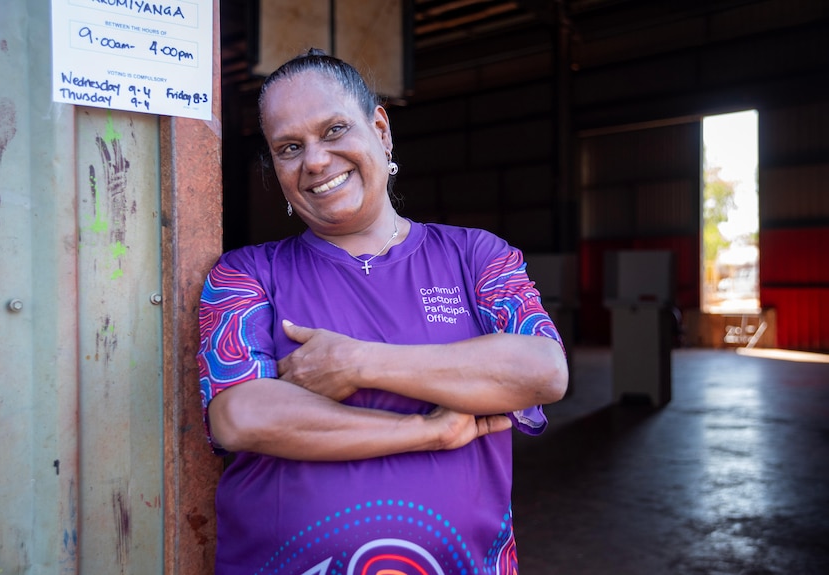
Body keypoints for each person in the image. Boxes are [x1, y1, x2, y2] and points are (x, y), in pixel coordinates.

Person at [197, 48, 568, 575]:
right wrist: (428, 433)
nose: (316, 161)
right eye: (289, 147)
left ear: (381, 129)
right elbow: (240, 416)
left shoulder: (476, 256)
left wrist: (357, 363)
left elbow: (543, 371)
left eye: (333, 130)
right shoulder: (246, 274)